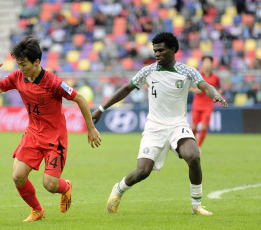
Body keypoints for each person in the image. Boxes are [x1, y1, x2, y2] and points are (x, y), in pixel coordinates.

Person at [92, 32, 228, 216]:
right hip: (154, 127)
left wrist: (216, 94)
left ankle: (196, 205)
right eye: (155, 50)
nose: (156, 54)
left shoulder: (187, 71)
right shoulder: (148, 70)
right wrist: (101, 108)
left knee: (194, 156)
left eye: (161, 50)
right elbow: (126, 89)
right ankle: (119, 189)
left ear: (173, 49)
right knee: (142, 171)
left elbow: (205, 85)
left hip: (177, 125)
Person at [0, 36, 101, 222]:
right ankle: (37, 210)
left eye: (24, 64)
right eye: (19, 64)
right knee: (18, 176)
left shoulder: (53, 82)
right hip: (32, 134)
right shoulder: (17, 77)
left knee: (49, 184)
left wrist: (91, 128)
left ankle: (66, 187)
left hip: (55, 139)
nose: (21, 69)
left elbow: (79, 98)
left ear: (37, 61)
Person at [191, 56, 223, 147]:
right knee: (194, 126)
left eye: (209, 62)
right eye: (205, 62)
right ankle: (191, 145)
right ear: (202, 64)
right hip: (197, 104)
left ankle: (198, 147)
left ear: (212, 64)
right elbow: (189, 87)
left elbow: (220, 89)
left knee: (204, 126)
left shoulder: (215, 77)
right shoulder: (197, 76)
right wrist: (195, 90)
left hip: (208, 106)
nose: (207, 64)